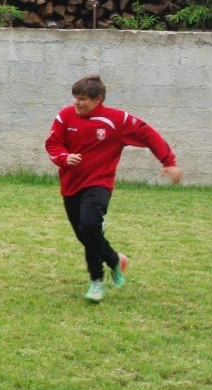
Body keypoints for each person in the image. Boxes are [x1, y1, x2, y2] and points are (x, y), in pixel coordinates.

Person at [46, 74, 183, 303]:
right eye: (74, 98)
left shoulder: (117, 120)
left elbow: (148, 134)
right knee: (85, 235)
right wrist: (64, 157)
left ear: (98, 99)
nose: (76, 103)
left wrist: (168, 161)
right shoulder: (65, 116)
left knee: (90, 226)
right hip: (70, 185)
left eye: (82, 99)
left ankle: (96, 281)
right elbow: (52, 143)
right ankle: (114, 260)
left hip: (99, 183)